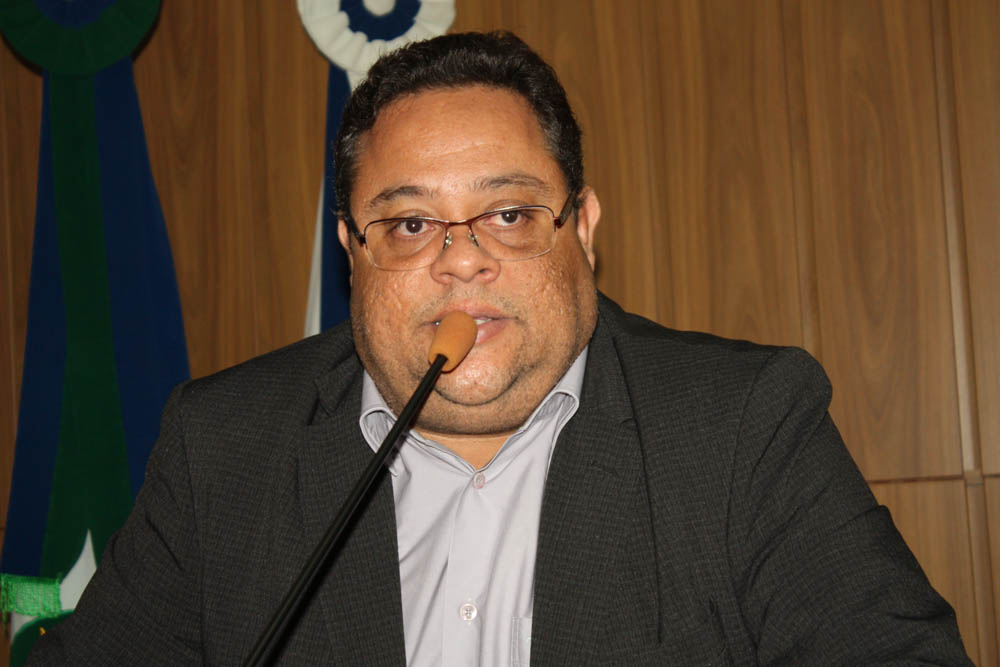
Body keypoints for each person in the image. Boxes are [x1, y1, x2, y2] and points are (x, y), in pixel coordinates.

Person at [28, 31, 970, 666]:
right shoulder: (223, 447)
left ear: (582, 228)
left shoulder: (742, 426)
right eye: (409, 226)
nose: (461, 260)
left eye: (510, 214)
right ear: (352, 251)